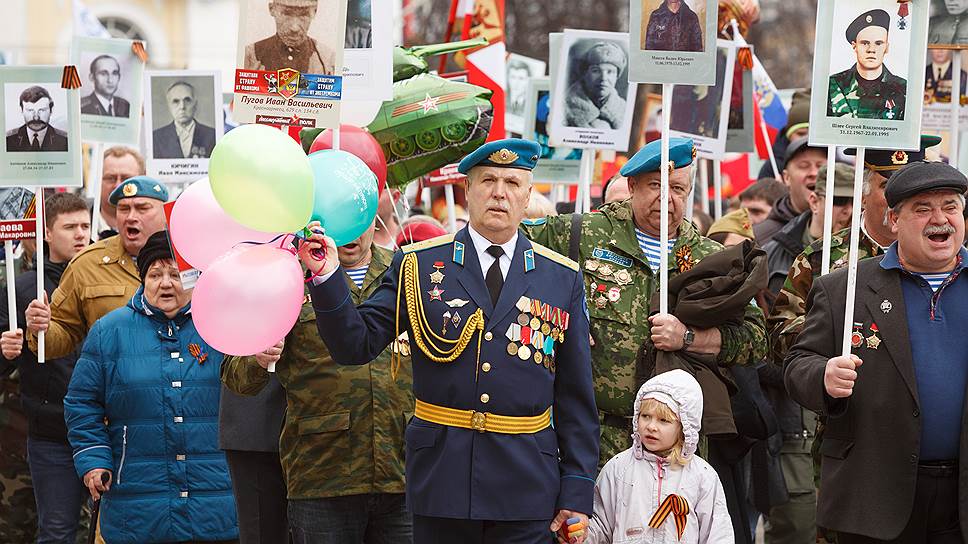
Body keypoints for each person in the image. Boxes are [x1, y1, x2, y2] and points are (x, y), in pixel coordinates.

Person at [296, 138, 599, 543]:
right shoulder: (419, 265)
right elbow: (356, 344)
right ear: (467, 190)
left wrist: (576, 490)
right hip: (444, 481)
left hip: (526, 485)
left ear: (528, 197)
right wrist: (328, 276)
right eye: (487, 180)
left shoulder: (560, 277)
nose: (499, 192)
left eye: (512, 183)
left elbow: (575, 396)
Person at [522, 137, 768, 467]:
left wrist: (690, 338)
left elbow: (757, 338)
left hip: (673, 452)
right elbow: (507, 244)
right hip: (591, 440)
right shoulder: (582, 234)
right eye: (655, 185)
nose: (667, 198)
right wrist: (554, 316)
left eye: (678, 189)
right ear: (632, 185)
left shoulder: (712, 259)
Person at [765, 138, 940, 544]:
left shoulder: (942, 260)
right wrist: (832, 342)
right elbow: (779, 337)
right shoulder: (827, 258)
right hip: (851, 436)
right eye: (889, 185)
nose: (902, 196)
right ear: (865, 192)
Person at [223, 221, 414, 543]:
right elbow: (235, 376)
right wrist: (257, 359)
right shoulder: (286, 278)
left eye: (358, 221)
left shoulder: (409, 272)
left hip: (404, 471)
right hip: (323, 474)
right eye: (340, 223)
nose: (349, 234)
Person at [64, 231, 238, 543]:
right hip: (137, 497)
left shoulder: (222, 326)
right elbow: (82, 403)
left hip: (215, 494)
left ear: (195, 279)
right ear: (143, 279)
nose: (166, 283)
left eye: (175, 274)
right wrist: (93, 459)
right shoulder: (109, 331)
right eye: (155, 274)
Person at [0, 193, 90, 543]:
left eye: (85, 225)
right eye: (69, 227)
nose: (80, 234)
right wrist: (7, 349)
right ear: (47, 234)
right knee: (56, 530)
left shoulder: (105, 278)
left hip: (108, 425)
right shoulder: (22, 287)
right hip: (52, 431)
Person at [25, 177, 168, 360]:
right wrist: (42, 328)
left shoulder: (188, 257)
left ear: (165, 212)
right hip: (114, 383)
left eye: (142, 208)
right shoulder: (86, 264)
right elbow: (65, 331)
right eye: (123, 209)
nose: (131, 217)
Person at [587, 370, 733, 543]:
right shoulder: (618, 468)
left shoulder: (702, 476)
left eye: (664, 421)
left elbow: (718, 533)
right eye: (645, 416)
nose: (651, 426)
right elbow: (601, 526)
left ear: (684, 427)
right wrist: (580, 534)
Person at [762, 163, 855, 296]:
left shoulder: (868, 252)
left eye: (856, 201)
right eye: (839, 201)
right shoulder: (773, 252)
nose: (849, 210)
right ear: (814, 202)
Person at [828, 9, 907, 121]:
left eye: (878, 43)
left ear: (887, 47)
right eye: (865, 43)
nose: (871, 50)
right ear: (854, 46)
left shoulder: (903, 89)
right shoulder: (833, 86)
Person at [754, 137, 827, 245]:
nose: (814, 173)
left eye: (820, 166)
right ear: (787, 177)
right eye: (804, 166)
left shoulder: (849, 230)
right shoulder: (760, 237)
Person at [243, 0, 336, 75]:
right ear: (272, 9)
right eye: (286, 13)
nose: (294, 28)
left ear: (315, 11)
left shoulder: (328, 61)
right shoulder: (250, 57)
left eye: (303, 15)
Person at [565, 41, 627, 130]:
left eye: (610, 72)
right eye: (596, 71)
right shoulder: (563, 107)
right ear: (585, 74)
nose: (603, 78)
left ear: (617, 76)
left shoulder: (625, 110)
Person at [153, 81, 217, 159]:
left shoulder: (213, 135)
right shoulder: (156, 138)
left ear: (195, 104)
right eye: (176, 101)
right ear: (169, 106)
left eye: (187, 100)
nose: (182, 106)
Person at [757, 89, 810, 180]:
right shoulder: (772, 169)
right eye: (801, 134)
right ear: (788, 135)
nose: (806, 140)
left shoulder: (835, 162)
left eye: (812, 135)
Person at [97, 146, 146, 239]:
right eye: (110, 178)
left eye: (126, 179)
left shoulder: (157, 229)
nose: (118, 185)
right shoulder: (80, 228)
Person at [6, 86, 68, 152]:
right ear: (21, 110)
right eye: (30, 110)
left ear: (51, 110)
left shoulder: (65, 140)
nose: (36, 117)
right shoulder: (7, 139)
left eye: (42, 110)